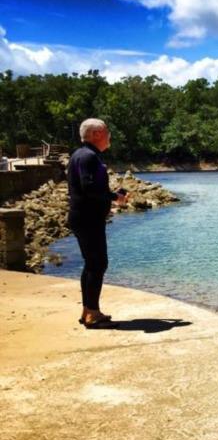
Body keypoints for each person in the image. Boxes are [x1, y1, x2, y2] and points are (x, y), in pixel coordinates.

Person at [67, 118, 128, 329]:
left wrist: (111, 196)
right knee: (97, 264)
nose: (109, 137)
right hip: (87, 218)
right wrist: (112, 197)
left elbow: (89, 187)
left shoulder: (81, 155)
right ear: (96, 134)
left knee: (92, 264)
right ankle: (92, 313)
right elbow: (89, 187)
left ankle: (88, 311)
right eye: (107, 133)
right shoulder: (89, 157)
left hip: (83, 217)